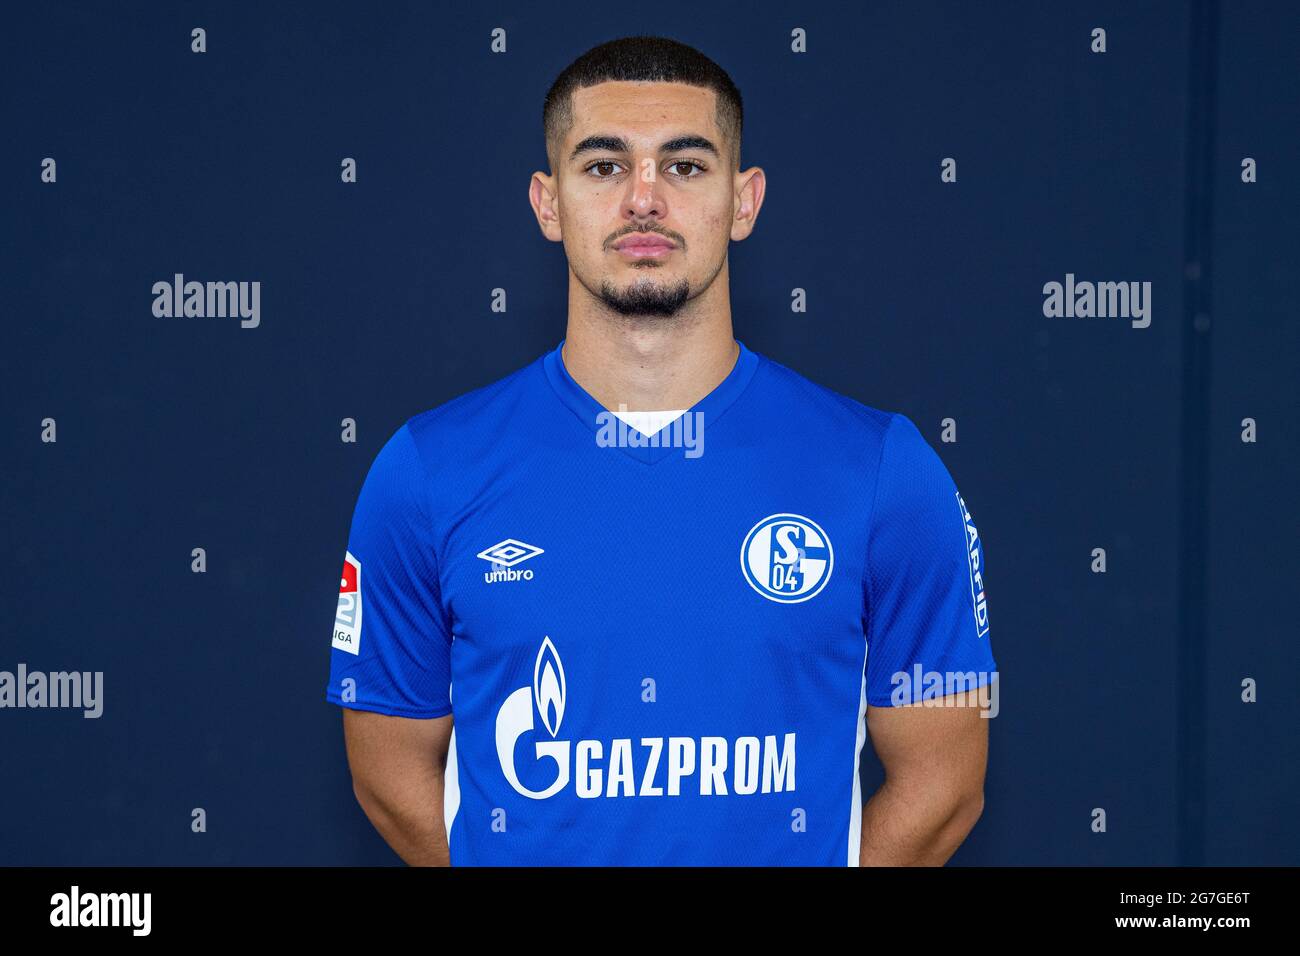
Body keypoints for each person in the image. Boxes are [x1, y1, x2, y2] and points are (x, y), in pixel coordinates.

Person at [326, 35, 997, 866]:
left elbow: (945, 784)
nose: (644, 199)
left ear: (744, 202)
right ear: (547, 203)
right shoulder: (425, 472)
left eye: (685, 166)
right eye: (604, 166)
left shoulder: (883, 472)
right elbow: (388, 774)